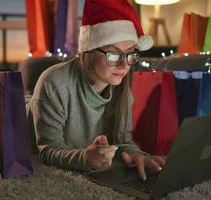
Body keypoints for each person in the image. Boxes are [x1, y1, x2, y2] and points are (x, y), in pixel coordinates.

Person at [29, 0, 165, 181]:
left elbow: (122, 140)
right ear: (89, 50)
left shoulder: (120, 86)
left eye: (131, 53)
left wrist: (136, 154)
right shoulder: (54, 83)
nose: (124, 64)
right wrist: (84, 158)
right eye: (114, 54)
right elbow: (46, 151)